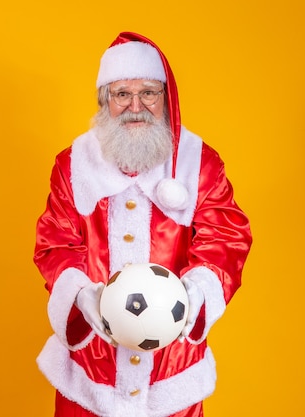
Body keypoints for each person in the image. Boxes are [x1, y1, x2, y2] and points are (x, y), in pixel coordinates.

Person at [33, 32, 252, 417]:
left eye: (148, 93)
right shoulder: (72, 164)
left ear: (165, 98)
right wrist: (80, 295)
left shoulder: (198, 163)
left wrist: (197, 292)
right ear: (105, 101)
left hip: (172, 371)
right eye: (122, 95)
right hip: (90, 372)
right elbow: (55, 242)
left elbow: (226, 237)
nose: (136, 106)